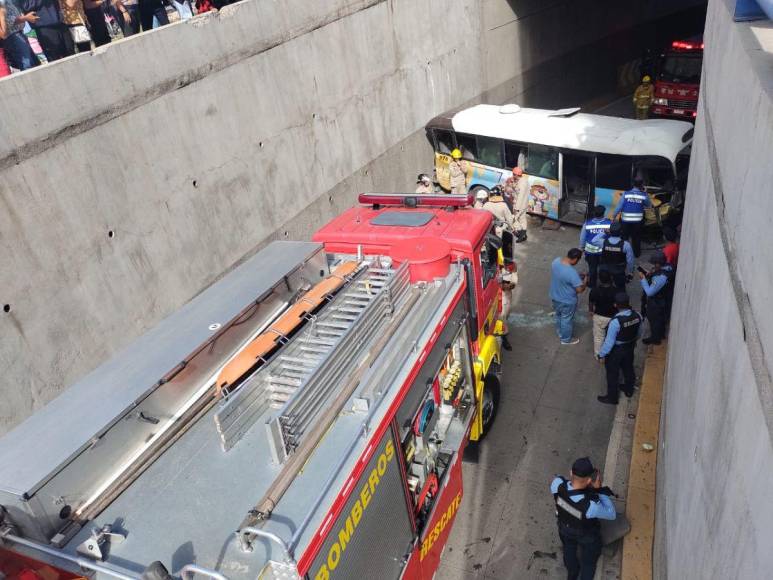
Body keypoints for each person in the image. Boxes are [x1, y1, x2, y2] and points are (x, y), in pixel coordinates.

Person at [551, 457, 616, 580]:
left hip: (564, 529)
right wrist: (599, 490)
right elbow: (611, 514)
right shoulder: (591, 507)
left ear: (571, 472)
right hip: (587, 536)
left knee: (569, 549)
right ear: (589, 481)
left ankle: (572, 573)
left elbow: (563, 482)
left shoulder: (557, 484)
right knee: (588, 563)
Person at [596, 292, 642, 405]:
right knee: (628, 368)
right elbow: (640, 332)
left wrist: (601, 354)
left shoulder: (616, 322)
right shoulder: (638, 315)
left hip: (616, 351)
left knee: (612, 374)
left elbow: (609, 342)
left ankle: (612, 398)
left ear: (616, 305)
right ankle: (628, 389)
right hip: (629, 346)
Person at [549, 248, 587, 345]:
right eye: (578, 260)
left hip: (555, 296)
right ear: (575, 259)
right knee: (566, 319)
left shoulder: (556, 261)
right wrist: (585, 281)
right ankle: (565, 339)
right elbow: (579, 290)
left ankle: (560, 332)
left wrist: (577, 277)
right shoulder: (572, 273)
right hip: (567, 301)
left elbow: (562, 276)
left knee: (559, 315)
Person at [639, 251, 675, 345]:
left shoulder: (660, 277)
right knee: (660, 319)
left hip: (657, 301)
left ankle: (655, 338)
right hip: (664, 298)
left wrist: (643, 279)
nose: (654, 265)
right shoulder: (668, 267)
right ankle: (660, 334)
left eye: (655, 264)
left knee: (654, 319)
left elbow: (649, 292)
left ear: (658, 264)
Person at [613, 177, 651, 257]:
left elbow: (620, 206)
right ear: (642, 185)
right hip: (637, 222)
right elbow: (649, 205)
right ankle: (636, 254)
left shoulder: (626, 194)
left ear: (633, 184)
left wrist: (614, 216)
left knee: (624, 237)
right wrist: (645, 193)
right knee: (636, 237)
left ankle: (622, 253)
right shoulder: (643, 195)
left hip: (625, 221)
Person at [0, 0, 40, 71]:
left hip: (18, 34)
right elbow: (7, 20)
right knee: (27, 65)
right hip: (12, 36)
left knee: (33, 64)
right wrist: (26, 18)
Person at [579, 205, 611, 288]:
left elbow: (582, 238)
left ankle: (592, 284)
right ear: (603, 213)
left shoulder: (587, 224)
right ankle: (604, 283)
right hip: (604, 252)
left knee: (592, 269)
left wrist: (582, 248)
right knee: (603, 268)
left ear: (594, 213)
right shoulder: (609, 223)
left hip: (590, 252)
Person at [588, 270, 617, 357]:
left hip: (599, 316)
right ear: (611, 278)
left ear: (599, 279)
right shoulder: (616, 291)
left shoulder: (594, 290)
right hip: (613, 317)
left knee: (598, 337)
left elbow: (591, 303)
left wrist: (591, 311)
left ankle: (599, 355)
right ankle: (611, 353)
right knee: (612, 336)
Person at [598, 222, 634, 290]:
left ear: (610, 231)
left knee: (606, 287)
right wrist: (630, 272)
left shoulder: (603, 242)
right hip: (619, 271)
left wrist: (604, 232)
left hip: (605, 269)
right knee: (621, 288)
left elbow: (593, 240)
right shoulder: (626, 245)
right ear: (621, 232)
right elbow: (630, 261)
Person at [504, 167, 529, 242]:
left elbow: (520, 197)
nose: (513, 176)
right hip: (524, 204)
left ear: (516, 175)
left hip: (519, 205)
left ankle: (520, 234)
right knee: (522, 218)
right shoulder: (523, 180)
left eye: (513, 174)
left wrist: (516, 208)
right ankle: (524, 235)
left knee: (514, 220)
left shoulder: (522, 184)